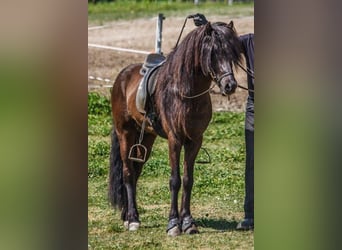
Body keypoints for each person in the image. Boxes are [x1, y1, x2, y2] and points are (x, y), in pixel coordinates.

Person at [192, 14, 254, 230]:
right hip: (255, 109)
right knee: (253, 164)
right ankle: (250, 215)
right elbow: (224, 40)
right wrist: (205, 27)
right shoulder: (249, 41)